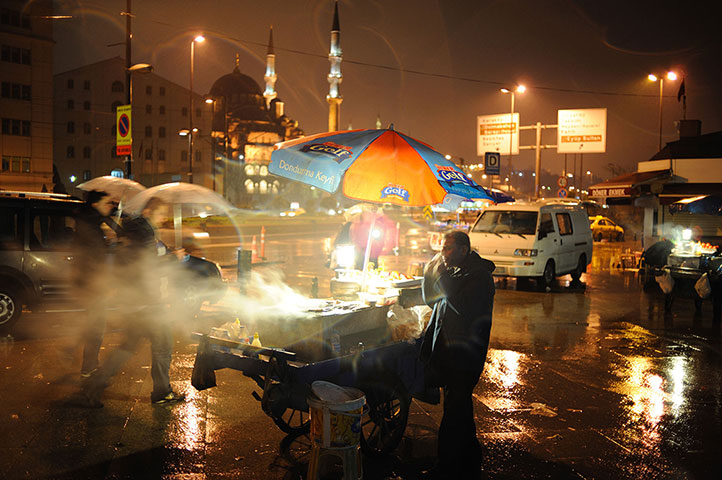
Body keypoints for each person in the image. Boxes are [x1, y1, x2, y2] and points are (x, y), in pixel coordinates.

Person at [79, 198, 185, 407]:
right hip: (149, 302)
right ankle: (162, 392)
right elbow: (147, 265)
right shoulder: (145, 232)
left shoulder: (133, 231)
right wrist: (174, 258)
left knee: (127, 347)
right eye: (161, 213)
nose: (163, 218)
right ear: (149, 211)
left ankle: (95, 383)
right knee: (163, 345)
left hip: (135, 301)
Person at [419, 230, 495, 479]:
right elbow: (432, 300)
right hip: (449, 354)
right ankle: (471, 462)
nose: (445, 254)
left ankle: (446, 467)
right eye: (443, 249)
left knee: (454, 413)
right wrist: (429, 272)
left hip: (466, 357)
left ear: (464, 249)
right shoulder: (452, 271)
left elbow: (461, 305)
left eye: (449, 249)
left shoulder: (479, 277)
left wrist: (441, 275)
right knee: (459, 410)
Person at [73, 190, 115, 377]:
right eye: (106, 203)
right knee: (96, 325)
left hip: (89, 282)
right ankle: (89, 366)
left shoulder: (90, 222)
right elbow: (94, 259)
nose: (110, 206)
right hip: (93, 284)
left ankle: (86, 361)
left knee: (93, 323)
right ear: (94, 204)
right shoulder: (91, 225)